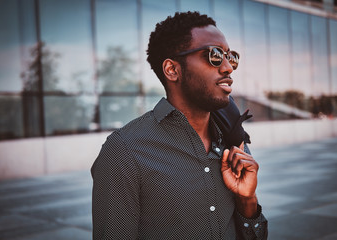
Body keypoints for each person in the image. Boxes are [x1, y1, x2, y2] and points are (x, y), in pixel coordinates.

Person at [91, 11, 268, 239]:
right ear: (172, 70)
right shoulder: (124, 151)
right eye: (214, 55)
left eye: (230, 56)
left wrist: (247, 201)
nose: (228, 67)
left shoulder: (233, 140)